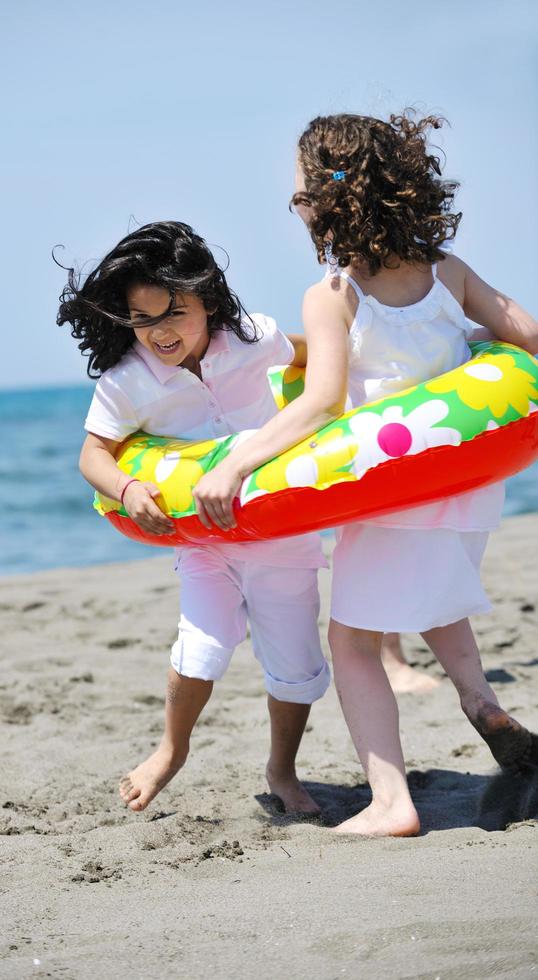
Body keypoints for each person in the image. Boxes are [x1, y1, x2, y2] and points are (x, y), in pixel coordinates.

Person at [192, 112, 538, 837]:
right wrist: (472, 338)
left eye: (297, 194)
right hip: (469, 488)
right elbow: (528, 335)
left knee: (351, 640)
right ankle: (487, 710)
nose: (294, 207)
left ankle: (390, 802)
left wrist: (239, 460)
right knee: (439, 603)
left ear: (324, 201)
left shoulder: (334, 294)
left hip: (392, 492)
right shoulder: (448, 271)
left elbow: (321, 404)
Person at [58, 220, 331, 814]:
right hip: (204, 540)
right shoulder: (128, 379)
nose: (160, 331)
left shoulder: (253, 336)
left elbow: (317, 361)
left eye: (175, 312)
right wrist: (128, 488)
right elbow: (92, 453)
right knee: (200, 646)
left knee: (295, 663)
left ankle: (282, 771)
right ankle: (171, 749)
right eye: (143, 317)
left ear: (206, 300)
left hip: (279, 532)